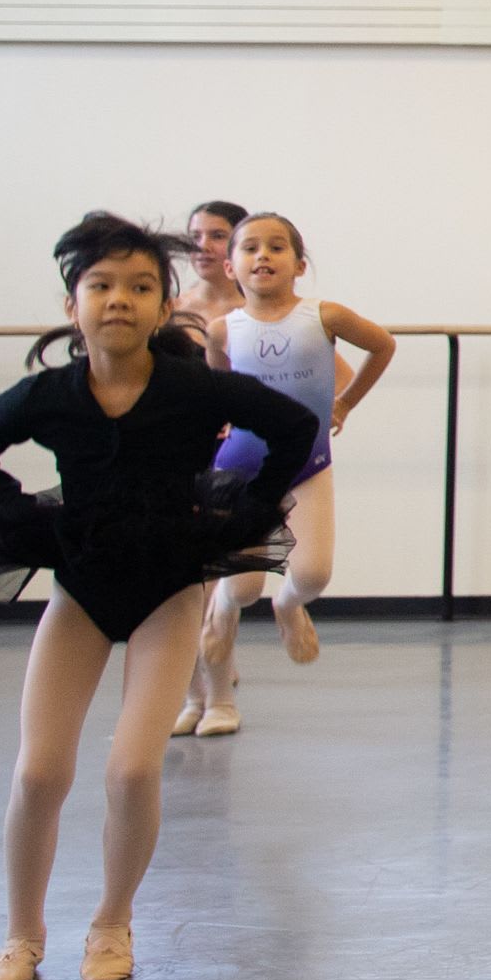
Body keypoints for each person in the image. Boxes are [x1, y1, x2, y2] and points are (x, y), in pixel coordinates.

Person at [0, 213, 320, 980]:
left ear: (162, 302)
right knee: (40, 772)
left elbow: (292, 425)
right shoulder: (51, 395)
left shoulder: (193, 388)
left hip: (167, 590)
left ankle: (112, 921)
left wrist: (242, 509)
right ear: (74, 302)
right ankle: (22, 934)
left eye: (141, 287)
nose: (120, 300)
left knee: (131, 767)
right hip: (81, 587)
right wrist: (18, 513)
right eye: (102, 286)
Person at [179, 211, 394, 735]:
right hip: (242, 468)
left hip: (307, 463)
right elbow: (219, 387)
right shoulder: (222, 330)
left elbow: (383, 346)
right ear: (231, 267)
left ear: (300, 264)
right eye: (250, 248)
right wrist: (219, 425)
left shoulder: (325, 316)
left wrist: (343, 404)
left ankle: (290, 606)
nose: (263, 257)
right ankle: (224, 627)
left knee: (313, 574)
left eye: (277, 248)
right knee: (239, 587)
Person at [183, 201, 247, 343]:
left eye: (218, 236)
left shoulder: (258, 313)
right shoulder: (169, 310)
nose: (203, 246)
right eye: (195, 237)